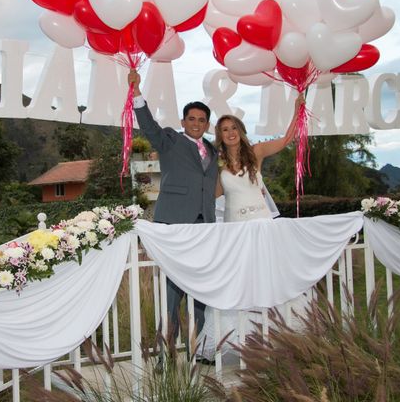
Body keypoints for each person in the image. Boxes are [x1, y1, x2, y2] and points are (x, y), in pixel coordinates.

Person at [198, 93, 308, 361]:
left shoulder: (256, 153)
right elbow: (210, 194)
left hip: (262, 226)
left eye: (233, 127)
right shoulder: (217, 164)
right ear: (220, 136)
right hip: (235, 230)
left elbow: (286, 139)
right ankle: (232, 343)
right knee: (238, 283)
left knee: (270, 278)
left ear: (240, 130)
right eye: (224, 130)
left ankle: (281, 338)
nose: (230, 132)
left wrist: (298, 109)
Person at [128, 69, 218, 344]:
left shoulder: (213, 150)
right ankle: (164, 352)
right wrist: (137, 93)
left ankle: (197, 345)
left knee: (202, 286)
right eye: (191, 119)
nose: (196, 123)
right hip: (174, 223)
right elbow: (149, 127)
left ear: (207, 124)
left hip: (205, 226)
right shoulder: (171, 140)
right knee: (172, 288)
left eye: (201, 120)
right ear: (183, 121)